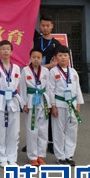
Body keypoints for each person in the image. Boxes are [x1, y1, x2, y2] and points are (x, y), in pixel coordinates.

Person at [28, 13, 61, 154]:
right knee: (34, 111)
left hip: (48, 79)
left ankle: (51, 142)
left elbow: (56, 63)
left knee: (48, 110)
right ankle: (32, 143)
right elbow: (26, 23)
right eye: (42, 25)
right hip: (33, 78)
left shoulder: (56, 44)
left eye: (48, 25)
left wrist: (42, 67)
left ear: (52, 26)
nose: (45, 28)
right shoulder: (36, 38)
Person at [0, 40, 24, 167]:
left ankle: (12, 157)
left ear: (11, 51)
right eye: (3, 49)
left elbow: (19, 86)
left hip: (13, 99)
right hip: (0, 98)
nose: (5, 51)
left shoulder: (16, 68)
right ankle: (1, 157)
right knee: (0, 130)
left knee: (14, 131)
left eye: (7, 49)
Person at [47, 45, 84, 167]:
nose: (63, 58)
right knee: (58, 130)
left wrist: (78, 104)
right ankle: (60, 156)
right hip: (59, 103)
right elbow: (50, 90)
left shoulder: (73, 72)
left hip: (72, 103)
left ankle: (69, 154)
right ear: (56, 57)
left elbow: (77, 89)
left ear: (69, 57)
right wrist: (52, 105)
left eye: (65, 55)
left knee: (72, 130)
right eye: (60, 55)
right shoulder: (53, 72)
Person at [19, 48, 50, 166]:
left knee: (43, 130)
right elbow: (22, 88)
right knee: (32, 129)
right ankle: (32, 156)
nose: (36, 59)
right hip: (31, 101)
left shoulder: (46, 71)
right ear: (30, 58)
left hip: (43, 101)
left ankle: (41, 155)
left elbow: (49, 88)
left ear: (42, 59)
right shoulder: (25, 70)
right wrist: (24, 103)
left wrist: (50, 104)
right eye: (34, 57)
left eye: (38, 57)